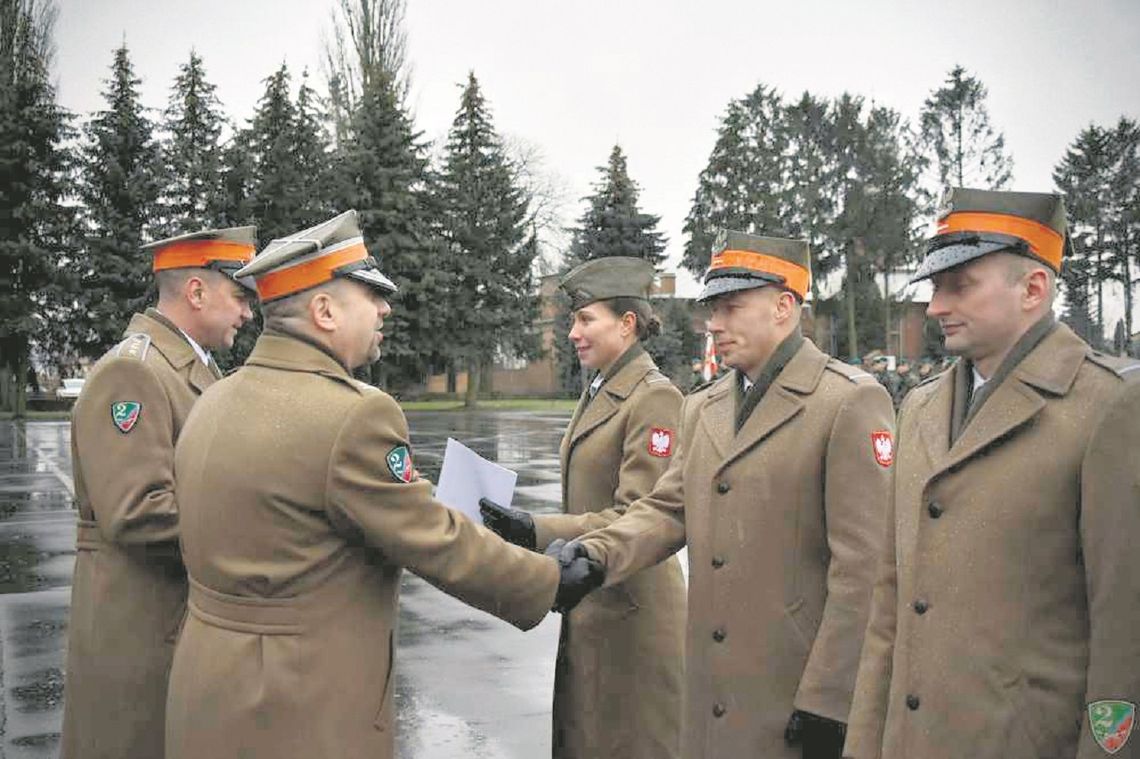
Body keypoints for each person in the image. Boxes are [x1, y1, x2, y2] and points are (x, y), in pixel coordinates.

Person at [164, 210, 590, 759]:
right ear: (324, 310)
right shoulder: (354, 416)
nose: (386, 308)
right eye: (369, 296)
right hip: (299, 709)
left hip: (207, 691)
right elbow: (434, 540)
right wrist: (548, 581)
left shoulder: (214, 396)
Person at [553, 232, 896, 758]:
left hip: (791, 695)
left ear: (784, 306)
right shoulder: (705, 406)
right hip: (711, 693)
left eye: (732, 307)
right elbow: (669, 507)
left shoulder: (846, 403)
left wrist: (833, 699)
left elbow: (864, 570)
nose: (714, 324)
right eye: (712, 308)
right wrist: (598, 554)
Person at [843, 188, 1140, 759]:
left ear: (1033, 289)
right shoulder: (922, 407)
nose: (934, 306)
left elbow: (1124, 628)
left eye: (960, 286)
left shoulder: (1106, 408)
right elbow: (891, 601)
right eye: (934, 287)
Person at [61, 226, 257, 759]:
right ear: (197, 292)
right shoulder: (135, 371)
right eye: (240, 297)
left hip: (172, 622)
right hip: (141, 633)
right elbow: (137, 512)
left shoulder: (188, 367)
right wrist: (256, 534)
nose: (247, 314)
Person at [480, 256, 686, 759]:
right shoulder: (600, 388)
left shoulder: (654, 398)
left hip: (634, 618)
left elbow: (640, 513)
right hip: (594, 600)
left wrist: (535, 528)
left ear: (627, 323)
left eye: (585, 319)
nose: (573, 332)